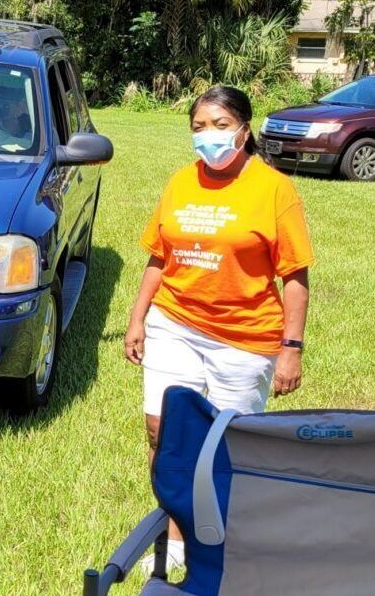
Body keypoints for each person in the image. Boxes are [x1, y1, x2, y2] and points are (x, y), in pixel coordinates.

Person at [124, 85, 313, 570]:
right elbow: (158, 256)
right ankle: (175, 538)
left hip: (245, 338)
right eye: (199, 127)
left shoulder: (274, 189)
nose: (208, 137)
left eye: (220, 126)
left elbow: (294, 276)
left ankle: (227, 542)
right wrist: (137, 317)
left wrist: (290, 347)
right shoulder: (180, 182)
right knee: (163, 432)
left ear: (245, 130)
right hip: (175, 323)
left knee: (231, 444)